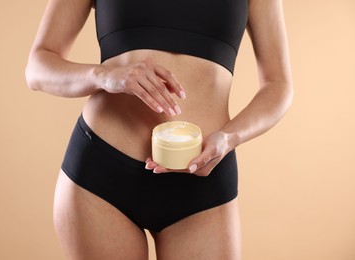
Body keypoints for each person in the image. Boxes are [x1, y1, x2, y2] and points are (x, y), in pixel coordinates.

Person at [25, 0, 293, 259]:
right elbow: (38, 67)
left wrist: (229, 137)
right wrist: (103, 75)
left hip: (202, 177)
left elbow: (278, 84)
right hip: (102, 173)